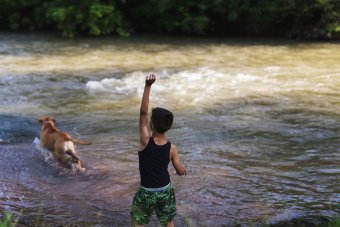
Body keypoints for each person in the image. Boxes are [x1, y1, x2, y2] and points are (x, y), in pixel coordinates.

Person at [130, 74, 186, 227]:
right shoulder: (172, 148)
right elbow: (180, 170)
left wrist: (148, 86)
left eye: (150, 119)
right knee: (168, 221)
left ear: (152, 124)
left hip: (147, 191)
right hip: (165, 190)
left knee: (138, 221)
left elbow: (142, 113)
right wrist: (182, 170)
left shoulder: (145, 141)